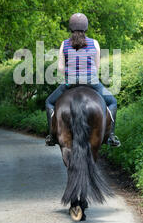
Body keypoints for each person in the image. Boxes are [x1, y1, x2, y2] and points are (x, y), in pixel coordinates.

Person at [45, 13, 121, 147]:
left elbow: (61, 68)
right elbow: (97, 67)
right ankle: (111, 136)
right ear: (86, 28)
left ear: (71, 28)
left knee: (49, 102)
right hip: (91, 82)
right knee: (113, 102)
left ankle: (51, 135)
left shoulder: (64, 44)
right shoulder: (94, 43)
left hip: (70, 83)